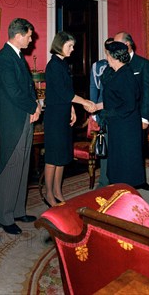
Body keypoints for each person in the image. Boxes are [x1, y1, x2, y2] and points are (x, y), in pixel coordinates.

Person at [0, 18, 41, 235]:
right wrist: (33, 107)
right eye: (29, 36)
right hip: (12, 121)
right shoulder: (3, 59)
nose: (31, 40)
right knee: (11, 166)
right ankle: (5, 216)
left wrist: (35, 107)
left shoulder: (18, 57)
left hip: (25, 117)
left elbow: (28, 87)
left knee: (23, 165)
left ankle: (18, 210)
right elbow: (13, 91)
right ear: (19, 35)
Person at [43, 32, 95, 207]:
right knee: (53, 156)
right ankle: (49, 193)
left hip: (63, 112)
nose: (73, 50)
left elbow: (66, 91)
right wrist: (84, 102)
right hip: (54, 116)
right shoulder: (53, 66)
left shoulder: (63, 64)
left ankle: (58, 190)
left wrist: (72, 109)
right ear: (60, 45)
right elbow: (64, 93)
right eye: (70, 46)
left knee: (63, 155)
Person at [94, 41, 144, 187]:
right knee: (117, 162)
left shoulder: (125, 76)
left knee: (125, 164)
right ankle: (117, 190)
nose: (106, 57)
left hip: (126, 126)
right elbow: (115, 100)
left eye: (108, 55)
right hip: (118, 124)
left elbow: (128, 105)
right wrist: (97, 106)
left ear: (114, 56)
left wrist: (108, 114)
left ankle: (125, 196)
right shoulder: (116, 72)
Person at [114, 31, 149, 189]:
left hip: (136, 115)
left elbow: (148, 92)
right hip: (120, 115)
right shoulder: (115, 63)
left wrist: (145, 117)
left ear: (127, 45)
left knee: (137, 148)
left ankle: (139, 180)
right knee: (123, 148)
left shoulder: (142, 64)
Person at [89, 37, 114, 187]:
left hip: (117, 111)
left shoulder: (122, 65)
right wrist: (94, 112)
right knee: (104, 144)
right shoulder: (98, 66)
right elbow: (94, 88)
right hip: (102, 111)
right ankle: (103, 181)